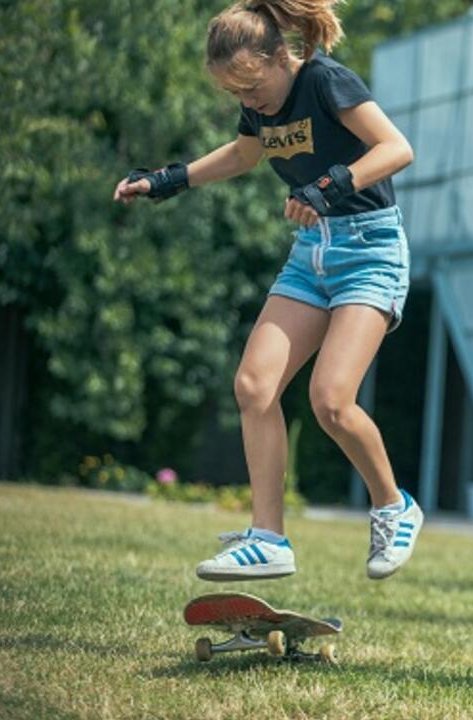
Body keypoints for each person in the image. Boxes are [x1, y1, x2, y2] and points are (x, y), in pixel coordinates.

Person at [112, 0, 423, 582]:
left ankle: (393, 506)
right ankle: (268, 539)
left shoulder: (326, 80)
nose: (250, 102)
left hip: (370, 249)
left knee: (331, 401)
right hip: (313, 255)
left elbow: (396, 149)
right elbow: (243, 154)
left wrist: (326, 187)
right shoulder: (259, 104)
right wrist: (167, 180)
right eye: (236, 94)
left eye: (254, 86)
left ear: (282, 56)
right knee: (254, 386)